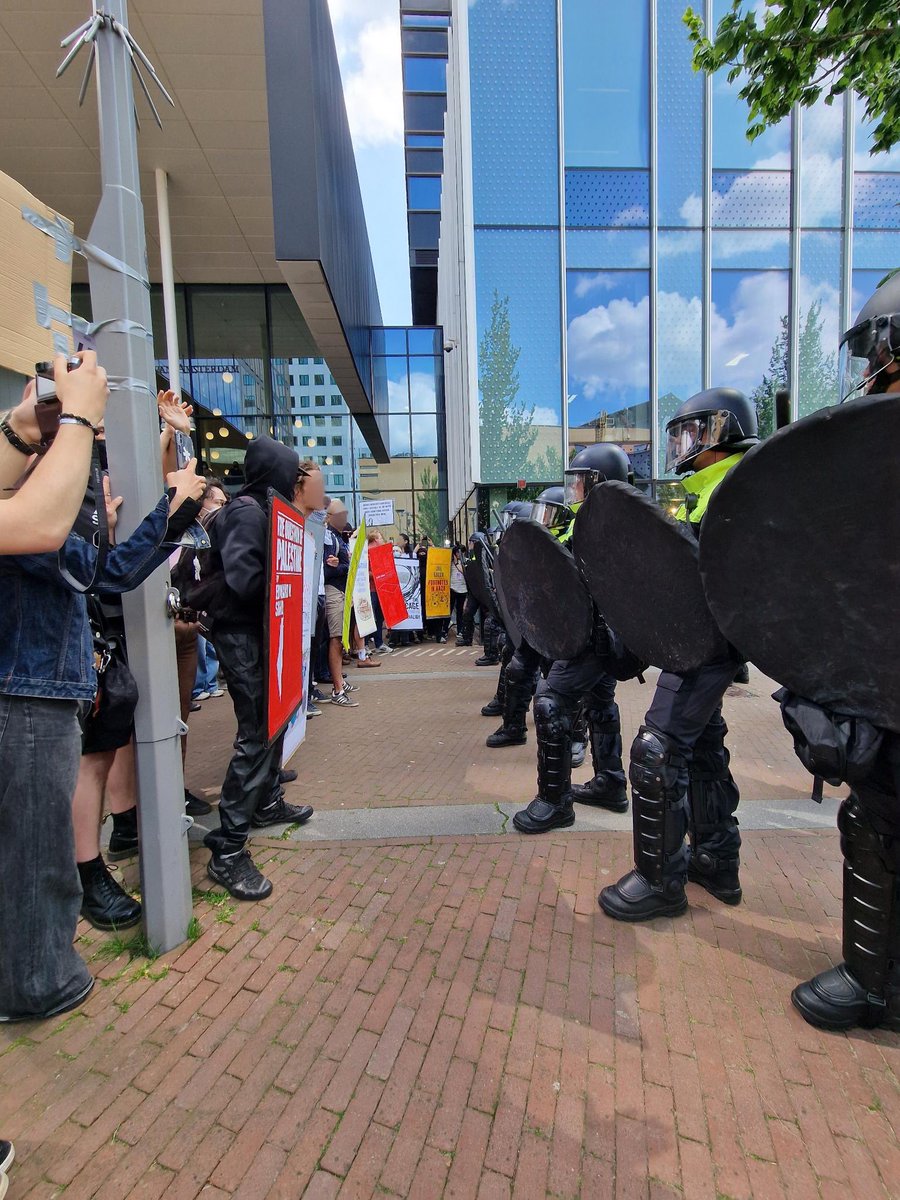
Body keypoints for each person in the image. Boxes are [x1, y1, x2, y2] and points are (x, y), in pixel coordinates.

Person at [0, 356, 207, 1022]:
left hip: (46, 678)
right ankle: (37, 977)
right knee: (38, 852)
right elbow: (83, 556)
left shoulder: (37, 490)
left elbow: (98, 561)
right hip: (28, 689)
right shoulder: (33, 509)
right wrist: (79, 420)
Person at [599, 387, 758, 921]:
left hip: (703, 648)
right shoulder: (717, 489)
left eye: (691, 432)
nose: (682, 444)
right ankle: (715, 858)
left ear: (720, 432)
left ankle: (659, 880)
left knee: (657, 750)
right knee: (705, 746)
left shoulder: (735, 491)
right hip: (706, 645)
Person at [201, 438, 313, 902]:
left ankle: (264, 803)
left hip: (258, 635)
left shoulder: (257, 509)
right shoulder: (248, 512)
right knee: (256, 734)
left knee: (272, 721)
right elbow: (245, 580)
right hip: (243, 636)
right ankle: (227, 848)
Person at [510, 456, 632, 833]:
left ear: (599, 482)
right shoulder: (598, 523)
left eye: (581, 480)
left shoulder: (603, 526)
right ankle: (611, 783)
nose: (574, 488)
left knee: (550, 701)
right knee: (600, 703)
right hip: (601, 639)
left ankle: (555, 801)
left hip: (592, 637)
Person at [322, 499, 361, 704]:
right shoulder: (328, 536)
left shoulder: (337, 537)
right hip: (334, 592)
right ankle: (337, 689)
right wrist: (346, 567)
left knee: (340, 638)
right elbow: (329, 570)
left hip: (340, 592)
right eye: (341, 515)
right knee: (336, 638)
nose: (345, 518)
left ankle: (339, 683)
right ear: (330, 517)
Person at [449, 545, 467, 638]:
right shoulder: (450, 563)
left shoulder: (465, 562)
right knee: (450, 610)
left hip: (463, 590)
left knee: (460, 611)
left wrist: (457, 563)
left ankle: (460, 630)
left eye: (461, 552)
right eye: (457, 553)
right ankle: (445, 630)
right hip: (452, 588)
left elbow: (464, 571)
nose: (459, 554)